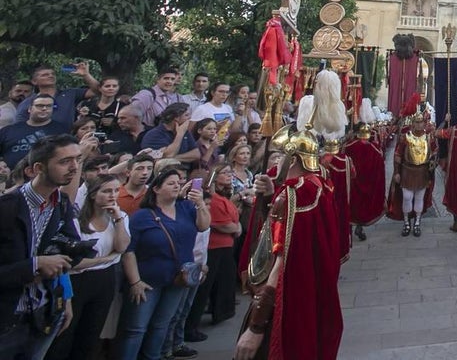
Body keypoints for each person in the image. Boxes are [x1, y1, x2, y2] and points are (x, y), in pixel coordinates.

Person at [234, 122, 342, 360]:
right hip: (309, 291)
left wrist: (257, 325)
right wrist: (270, 193)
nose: (275, 161)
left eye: (281, 155)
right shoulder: (316, 183)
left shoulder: (294, 196)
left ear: (293, 159)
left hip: (286, 296)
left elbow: (281, 259)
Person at [0, 134, 82, 360]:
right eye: (64, 161)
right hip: (6, 319)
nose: (74, 167)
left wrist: (65, 298)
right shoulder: (6, 207)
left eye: (78, 159)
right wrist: (35, 265)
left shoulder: (62, 203)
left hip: (44, 313)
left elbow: (70, 252)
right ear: (38, 167)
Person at [117, 165, 209, 360]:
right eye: (171, 183)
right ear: (157, 189)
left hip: (177, 279)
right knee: (136, 328)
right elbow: (129, 251)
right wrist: (135, 282)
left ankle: (152, 357)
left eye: (178, 183)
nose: (177, 186)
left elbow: (203, 225)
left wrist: (200, 204)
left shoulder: (186, 208)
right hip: (147, 281)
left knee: (162, 324)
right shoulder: (142, 216)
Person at [46, 174, 129, 360]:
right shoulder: (75, 221)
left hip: (105, 280)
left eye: (116, 190)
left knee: (92, 332)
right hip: (77, 280)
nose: (113, 195)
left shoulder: (120, 217)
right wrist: (105, 259)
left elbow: (122, 247)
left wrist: (118, 220)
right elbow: (73, 262)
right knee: (65, 333)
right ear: (92, 194)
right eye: (107, 191)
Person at [185, 166, 240, 333]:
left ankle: (219, 312)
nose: (229, 176)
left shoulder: (222, 197)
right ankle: (190, 327)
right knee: (204, 287)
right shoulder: (213, 200)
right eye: (225, 173)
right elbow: (221, 223)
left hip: (225, 245)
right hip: (214, 246)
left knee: (222, 282)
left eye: (231, 173)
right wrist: (235, 228)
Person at [388, 100, 435, 238]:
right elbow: (397, 155)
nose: (419, 124)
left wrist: (433, 165)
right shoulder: (405, 137)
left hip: (422, 171)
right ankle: (406, 222)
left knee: (419, 197)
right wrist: (396, 172)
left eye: (421, 122)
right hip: (407, 170)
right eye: (417, 122)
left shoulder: (429, 137)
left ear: (424, 123)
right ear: (413, 123)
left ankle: (417, 223)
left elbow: (434, 153)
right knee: (407, 197)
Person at [345, 105, 386, 242]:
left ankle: (350, 230)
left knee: (352, 206)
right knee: (360, 205)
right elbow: (381, 165)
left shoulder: (348, 147)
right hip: (366, 182)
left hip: (352, 183)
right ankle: (359, 227)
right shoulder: (374, 149)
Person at [0, 94, 70, 168]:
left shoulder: (61, 130)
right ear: (30, 109)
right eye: (40, 105)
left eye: (49, 106)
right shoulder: (9, 130)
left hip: (46, 176)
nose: (44, 108)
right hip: (11, 176)